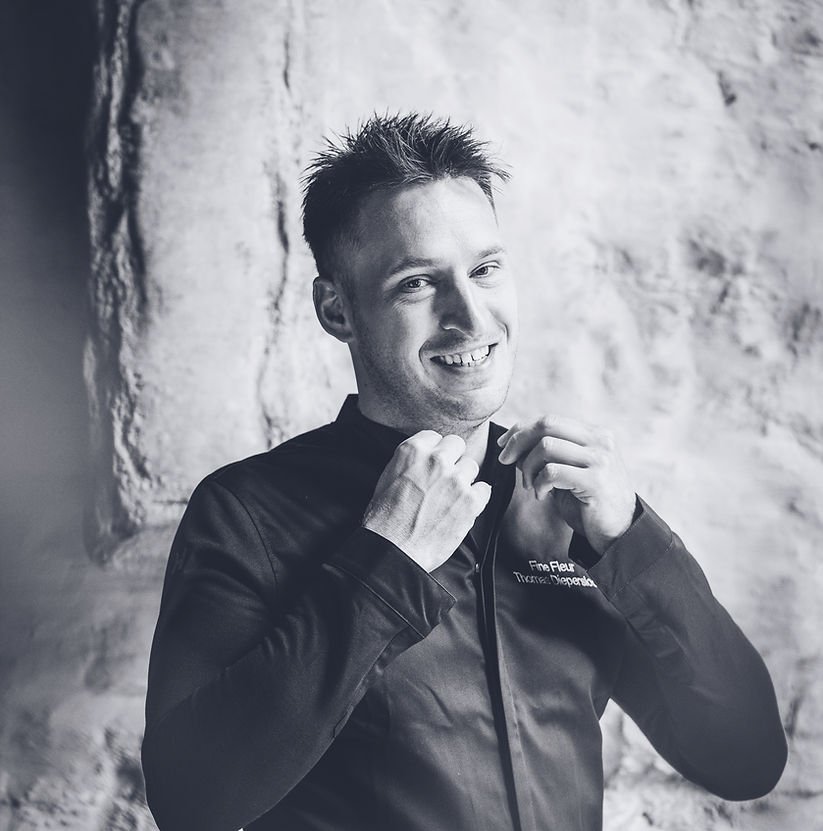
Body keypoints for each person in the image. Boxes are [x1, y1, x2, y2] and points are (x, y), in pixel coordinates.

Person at [141, 113, 787, 831]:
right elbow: (189, 801)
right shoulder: (247, 512)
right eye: (417, 283)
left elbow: (746, 759)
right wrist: (384, 564)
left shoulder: (570, 508)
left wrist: (632, 538)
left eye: (484, 270)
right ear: (336, 309)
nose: (471, 316)